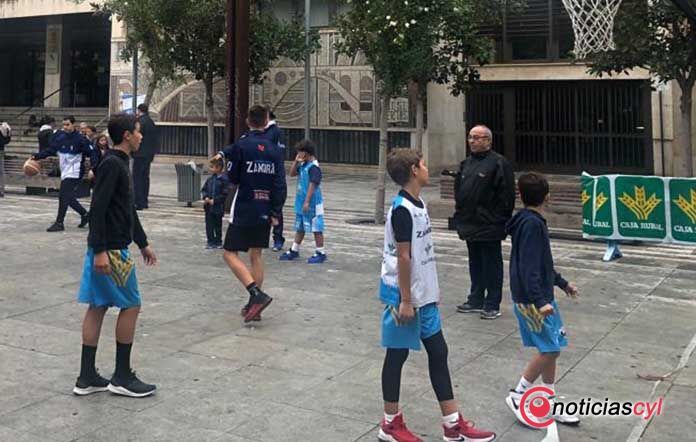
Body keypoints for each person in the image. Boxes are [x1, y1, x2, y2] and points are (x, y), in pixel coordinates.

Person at [377, 148, 496, 442]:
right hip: (404, 298)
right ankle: (390, 423)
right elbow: (403, 256)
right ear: (414, 170)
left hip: (424, 296)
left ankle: (452, 423)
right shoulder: (402, 209)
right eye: (423, 164)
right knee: (397, 355)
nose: (427, 168)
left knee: (439, 353)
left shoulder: (418, 204)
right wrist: (406, 300)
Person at [74, 112, 158, 398]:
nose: (141, 136)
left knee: (97, 306)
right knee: (131, 305)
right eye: (138, 131)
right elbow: (98, 208)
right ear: (127, 135)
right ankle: (122, 375)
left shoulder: (118, 162)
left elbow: (126, 208)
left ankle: (86, 376)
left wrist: (142, 242)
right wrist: (100, 251)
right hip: (111, 250)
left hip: (107, 247)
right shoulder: (113, 164)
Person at [504, 172, 580, 427]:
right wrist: (539, 301)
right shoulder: (532, 225)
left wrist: (562, 283)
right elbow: (529, 266)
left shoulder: (529, 222)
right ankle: (519, 393)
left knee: (552, 347)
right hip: (533, 300)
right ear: (547, 197)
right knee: (550, 349)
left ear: (521, 196)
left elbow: (542, 263)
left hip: (540, 296)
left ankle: (548, 400)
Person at [215, 105, 286, 323]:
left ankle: (256, 294)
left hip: (245, 206)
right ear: (266, 121)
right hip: (265, 207)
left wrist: (223, 172)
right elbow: (280, 183)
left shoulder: (242, 146)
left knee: (229, 253)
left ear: (248, 121)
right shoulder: (275, 150)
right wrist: (276, 210)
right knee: (256, 254)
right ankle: (254, 307)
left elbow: (234, 177)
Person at [454, 124, 515, 320]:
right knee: (475, 262)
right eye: (470, 137)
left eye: (477, 137)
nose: (472, 141)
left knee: (492, 264)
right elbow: (459, 191)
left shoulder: (499, 163)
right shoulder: (466, 164)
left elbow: (507, 196)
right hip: (469, 223)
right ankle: (476, 299)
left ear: (488, 140)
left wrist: (499, 219)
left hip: (490, 224)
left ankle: (492, 303)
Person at [32, 116, 98, 232]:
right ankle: (85, 214)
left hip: (75, 171)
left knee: (63, 195)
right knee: (68, 196)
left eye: (67, 124)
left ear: (73, 125)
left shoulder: (81, 139)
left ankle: (59, 222)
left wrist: (93, 168)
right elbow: (51, 150)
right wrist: (37, 156)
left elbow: (92, 153)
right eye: (63, 125)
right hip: (65, 170)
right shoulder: (59, 137)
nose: (65, 127)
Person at [279, 140, 327, 264]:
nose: (299, 154)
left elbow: (313, 184)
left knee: (316, 227)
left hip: (312, 203)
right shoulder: (304, 165)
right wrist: (296, 161)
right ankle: (294, 249)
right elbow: (292, 173)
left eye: (300, 152)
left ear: (306, 153)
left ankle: (320, 251)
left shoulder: (314, 167)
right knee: (300, 226)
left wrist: (307, 201)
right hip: (301, 201)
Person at [265, 110, 288, 251]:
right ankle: (264, 237)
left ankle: (278, 238)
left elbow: (280, 152)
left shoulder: (276, 132)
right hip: (265, 173)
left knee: (276, 208)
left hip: (274, 174)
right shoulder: (263, 131)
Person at [133, 104, 159, 210]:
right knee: (145, 177)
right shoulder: (151, 122)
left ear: (139, 110)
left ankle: (138, 202)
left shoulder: (140, 122)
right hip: (149, 154)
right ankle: (144, 201)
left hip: (139, 153)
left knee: (137, 178)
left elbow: (136, 136)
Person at [201, 157, 230, 249]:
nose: (210, 169)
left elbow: (225, 193)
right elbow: (204, 189)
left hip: (218, 207)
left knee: (217, 225)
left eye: (212, 167)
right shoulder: (210, 179)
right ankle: (210, 241)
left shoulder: (224, 180)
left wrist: (216, 200)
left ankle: (218, 241)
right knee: (209, 225)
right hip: (208, 207)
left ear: (218, 168)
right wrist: (205, 197)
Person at [0, 121, 11, 197]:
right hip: (1, 151)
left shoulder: (3, 129)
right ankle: (1, 190)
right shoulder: (4, 128)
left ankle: (1, 190)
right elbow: (6, 141)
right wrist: (8, 135)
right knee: (1, 172)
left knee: (1, 172)